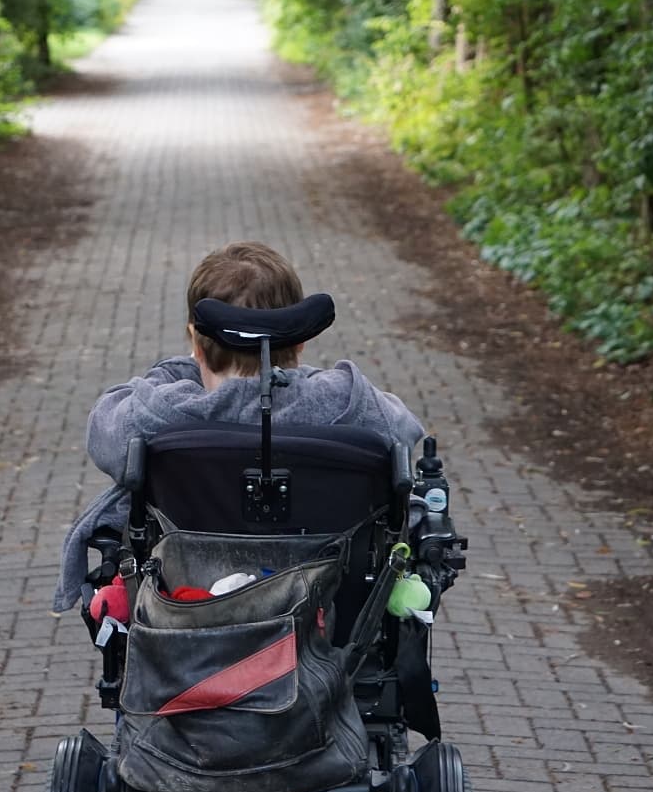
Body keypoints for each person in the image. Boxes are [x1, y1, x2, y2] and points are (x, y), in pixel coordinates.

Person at [52, 241, 423, 613]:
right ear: (302, 341)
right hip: (330, 611)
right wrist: (310, 380)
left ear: (195, 342)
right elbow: (405, 432)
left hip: (187, 609)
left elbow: (102, 430)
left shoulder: (162, 413)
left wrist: (174, 371)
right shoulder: (345, 403)